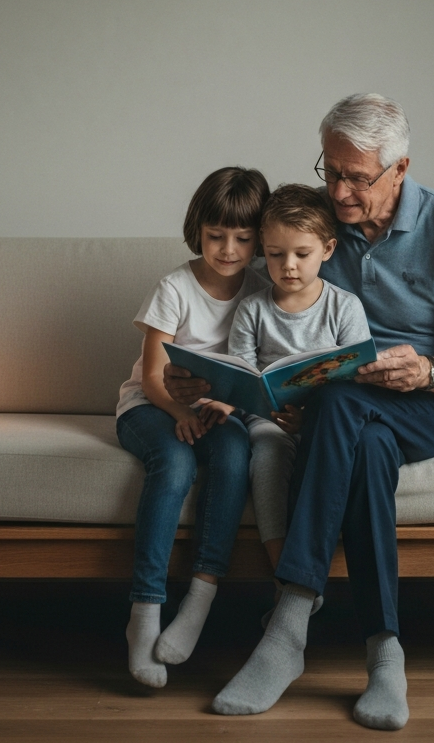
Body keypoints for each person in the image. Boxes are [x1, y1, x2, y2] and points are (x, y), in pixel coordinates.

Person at [167, 94, 434, 730]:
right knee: (363, 441)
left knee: (343, 399)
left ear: (399, 169)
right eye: (331, 170)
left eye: (357, 178)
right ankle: (384, 654)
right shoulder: (321, 228)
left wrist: (426, 370)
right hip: (351, 410)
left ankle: (288, 622)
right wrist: (201, 372)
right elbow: (249, 292)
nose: (340, 192)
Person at [115, 166, 270, 687]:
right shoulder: (174, 287)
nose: (228, 249)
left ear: (259, 240)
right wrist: (179, 414)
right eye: (216, 236)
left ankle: (201, 597)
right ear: (197, 230)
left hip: (217, 409)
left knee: (233, 457)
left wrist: (229, 407)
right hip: (150, 406)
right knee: (176, 464)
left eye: (243, 239)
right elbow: (154, 377)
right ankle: (145, 613)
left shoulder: (261, 289)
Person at [198, 184, 371, 596]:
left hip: (325, 422)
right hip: (269, 421)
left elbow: (358, 375)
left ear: (327, 249)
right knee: (268, 456)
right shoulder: (253, 309)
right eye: (275, 255)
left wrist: (309, 419)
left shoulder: (343, 307)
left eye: (301, 254)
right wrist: (229, 402)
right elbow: (242, 374)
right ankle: (285, 578)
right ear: (262, 251)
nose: (288, 266)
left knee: (337, 453)